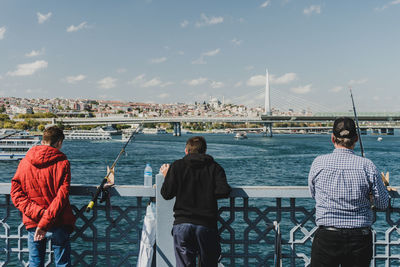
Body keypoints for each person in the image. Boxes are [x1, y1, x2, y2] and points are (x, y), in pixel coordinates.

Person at [308, 117, 389, 267]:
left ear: (332, 138)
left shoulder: (318, 163)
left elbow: (313, 194)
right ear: (356, 139)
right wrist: (376, 194)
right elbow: (383, 204)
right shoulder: (367, 166)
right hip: (359, 238)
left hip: (327, 236)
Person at [160, 136, 231, 267]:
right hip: (206, 225)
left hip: (182, 224)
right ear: (204, 151)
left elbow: (166, 194)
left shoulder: (177, 166)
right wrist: (207, 190)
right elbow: (224, 191)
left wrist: (168, 177)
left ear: (186, 151)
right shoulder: (215, 167)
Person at [11, 126, 76, 267]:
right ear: (59, 142)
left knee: (35, 263)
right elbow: (61, 197)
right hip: (58, 221)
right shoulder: (62, 163)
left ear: (42, 140)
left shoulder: (25, 162)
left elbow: (16, 194)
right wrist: (46, 218)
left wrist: (39, 215)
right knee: (62, 263)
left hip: (34, 221)